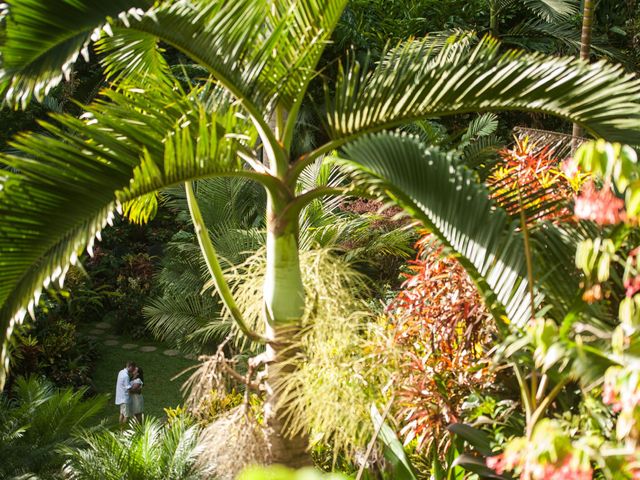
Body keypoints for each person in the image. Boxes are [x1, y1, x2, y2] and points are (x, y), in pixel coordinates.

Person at [115, 361, 136, 425]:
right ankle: (123, 430)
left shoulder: (121, 372)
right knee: (126, 416)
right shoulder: (126, 376)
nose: (133, 370)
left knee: (121, 414)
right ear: (130, 367)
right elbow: (129, 388)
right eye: (133, 368)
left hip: (120, 397)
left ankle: (120, 429)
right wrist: (136, 389)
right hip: (125, 398)